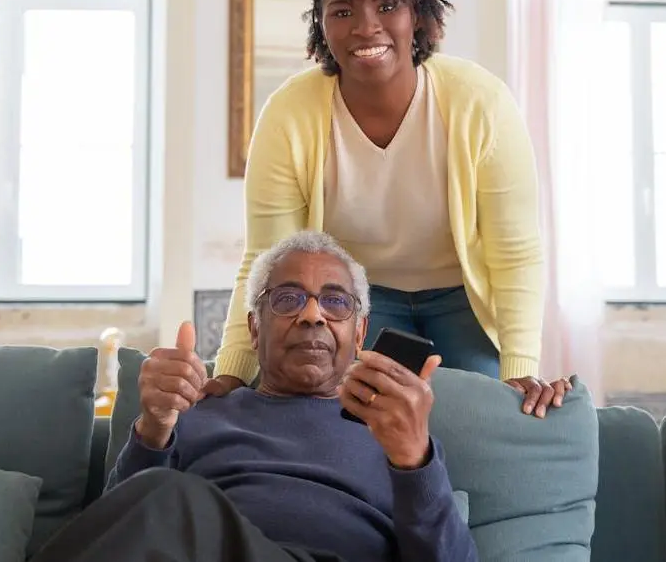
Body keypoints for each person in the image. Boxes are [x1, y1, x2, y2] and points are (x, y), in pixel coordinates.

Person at [208, 0, 569, 418]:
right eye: (342, 12)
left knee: (481, 422)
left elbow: (516, 249)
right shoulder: (288, 115)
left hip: (463, 298)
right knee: (353, 423)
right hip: (359, 300)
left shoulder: (481, 103)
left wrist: (519, 366)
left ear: (417, 15)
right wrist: (231, 368)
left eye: (387, 6)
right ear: (321, 27)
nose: (366, 28)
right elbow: (267, 257)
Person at [31, 231, 478, 562]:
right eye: (288, 298)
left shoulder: (395, 431)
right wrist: (153, 428)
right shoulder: (197, 412)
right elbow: (119, 531)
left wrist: (414, 458)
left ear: (358, 332)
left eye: (335, 302)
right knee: (165, 497)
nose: (311, 315)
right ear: (253, 327)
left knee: (171, 497)